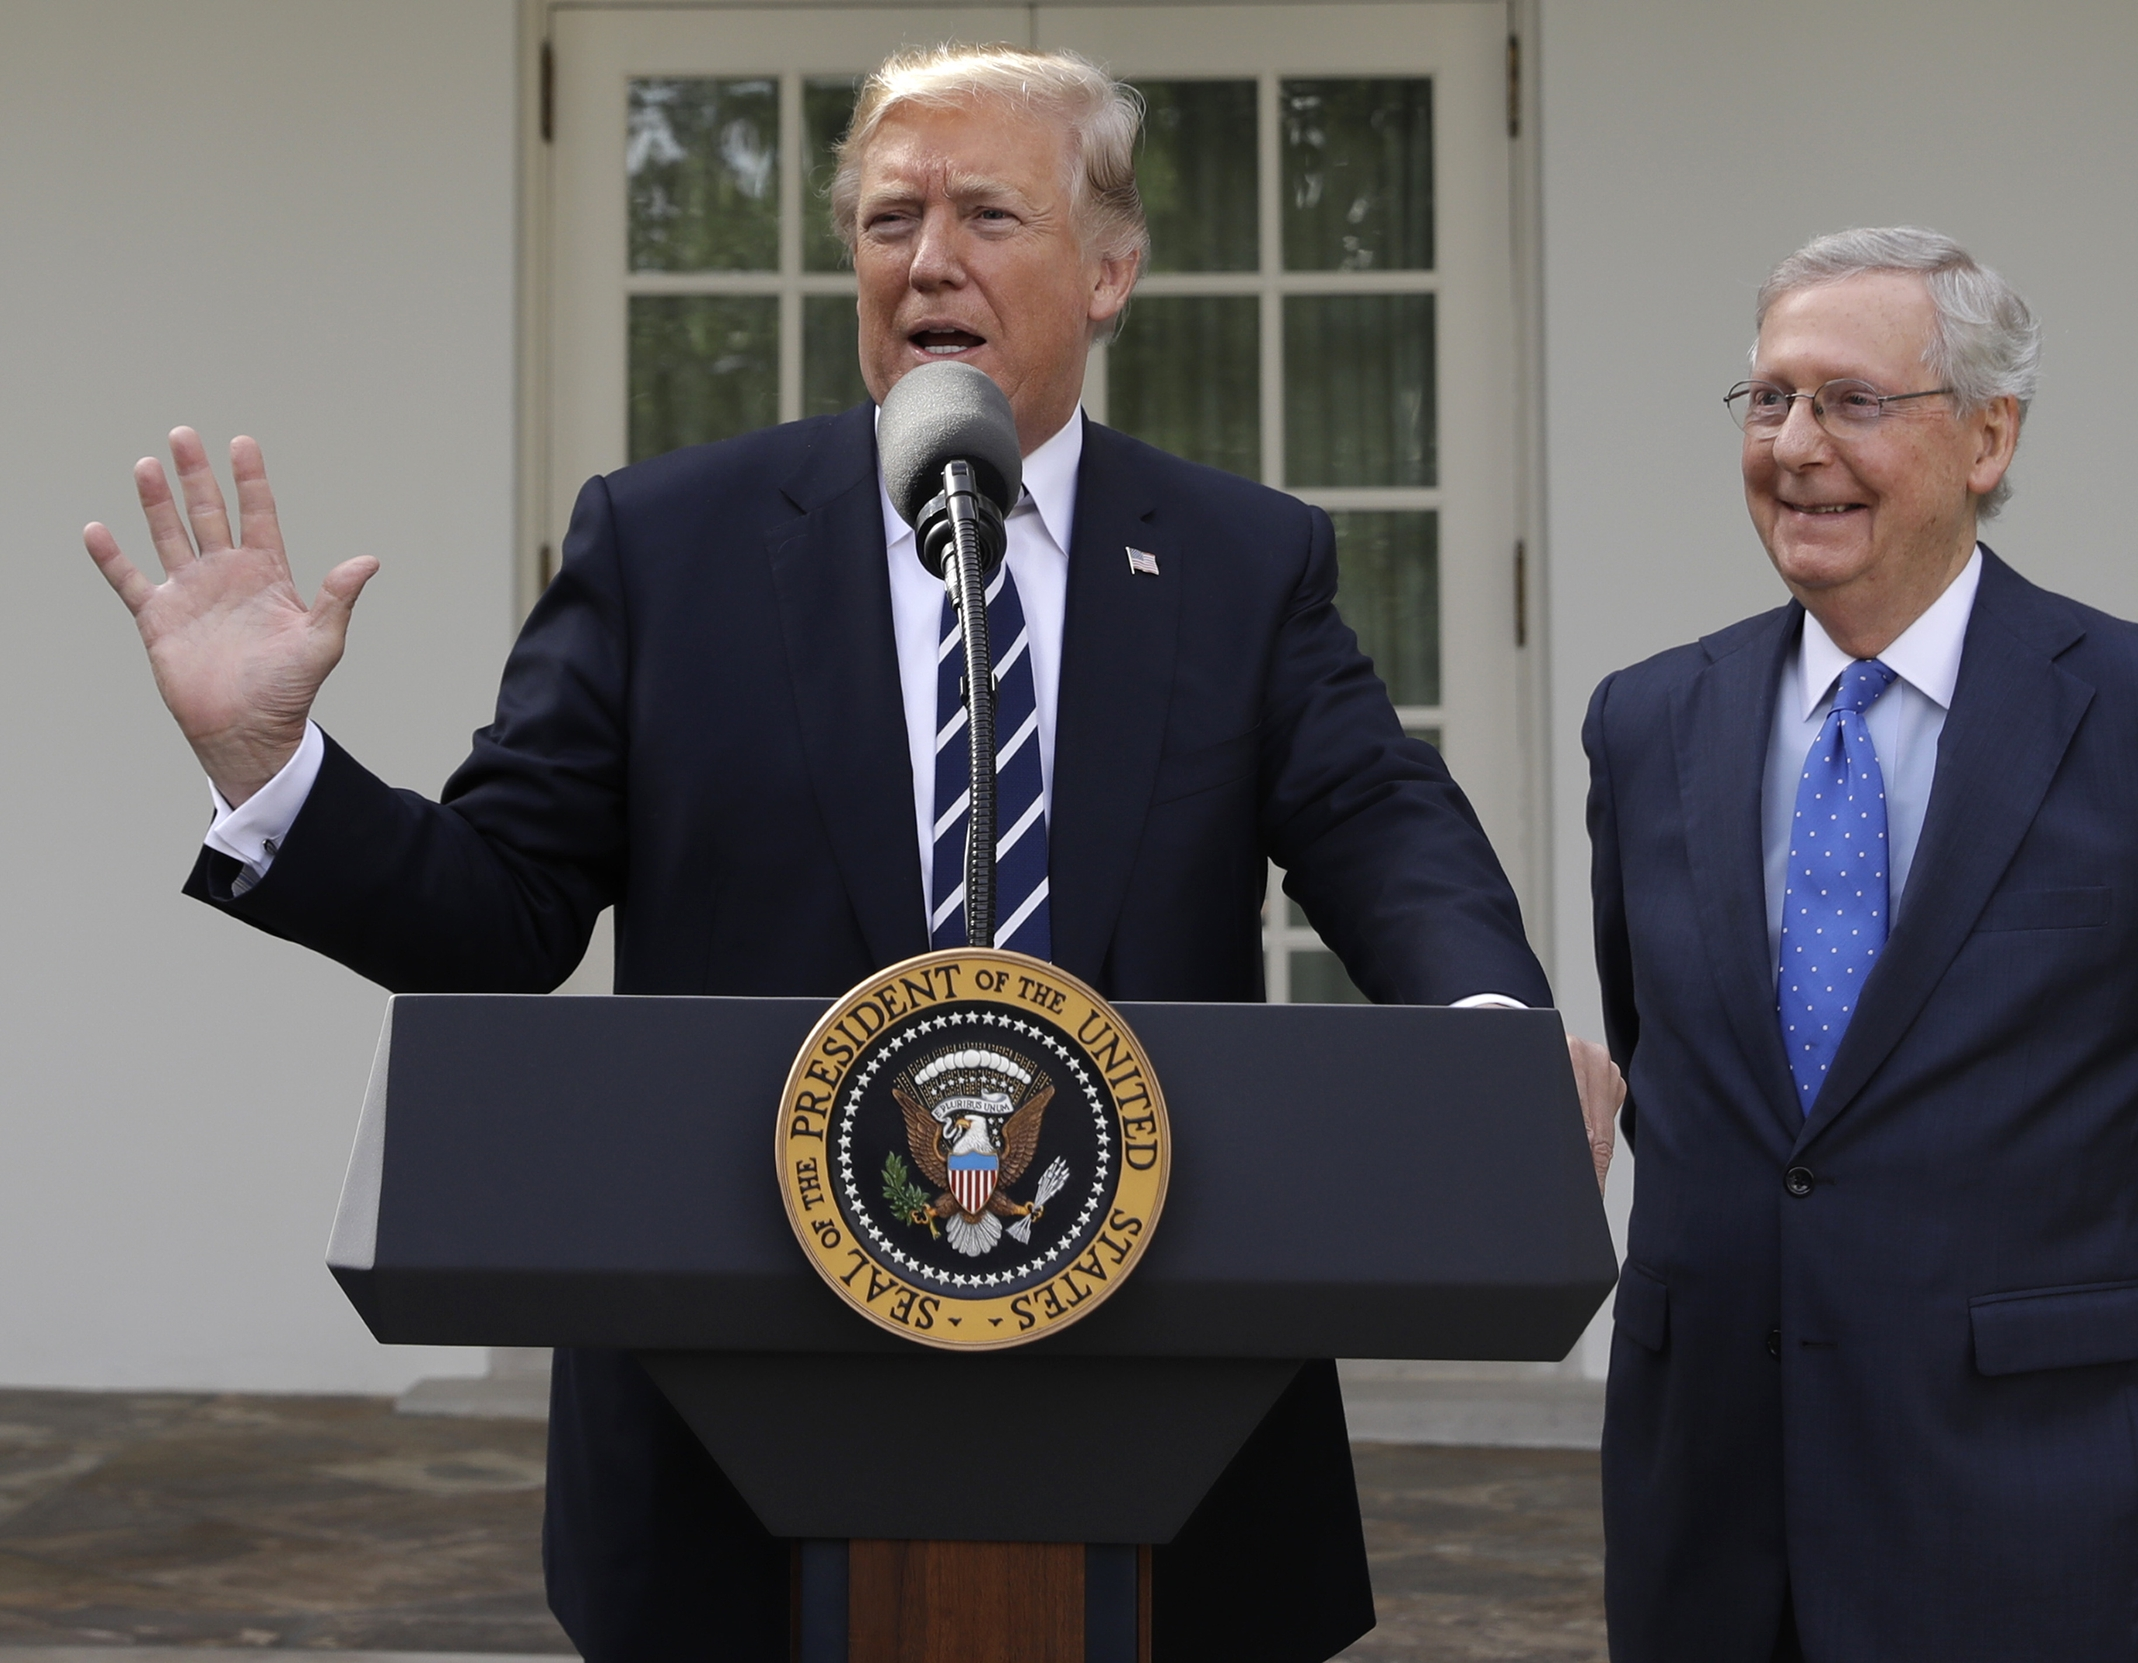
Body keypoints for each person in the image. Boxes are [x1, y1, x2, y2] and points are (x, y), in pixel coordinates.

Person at [84, 43, 1621, 1663]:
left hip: (1165, 1387)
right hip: (735, 1420)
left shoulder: (1239, 557)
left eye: (986, 213)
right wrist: (274, 767)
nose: (929, 258)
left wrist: (1487, 1045)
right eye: (891, 219)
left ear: (1112, 269)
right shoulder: (669, 543)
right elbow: (500, 911)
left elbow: (1382, 826)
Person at [1583, 227, 2138, 1661]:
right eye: (1769, 399)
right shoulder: (1645, 722)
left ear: (1990, 437)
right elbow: (1681, 1069)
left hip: (2052, 1500)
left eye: (1854, 401)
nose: (1797, 444)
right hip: (1714, 1510)